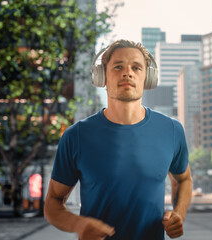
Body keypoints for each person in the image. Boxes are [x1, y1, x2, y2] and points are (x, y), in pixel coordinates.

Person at [44, 39, 193, 240]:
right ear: (102, 76)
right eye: (118, 66)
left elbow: (183, 179)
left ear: (147, 78)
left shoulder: (172, 130)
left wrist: (178, 215)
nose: (127, 72)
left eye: (136, 67)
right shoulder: (76, 136)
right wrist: (78, 224)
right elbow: (53, 201)